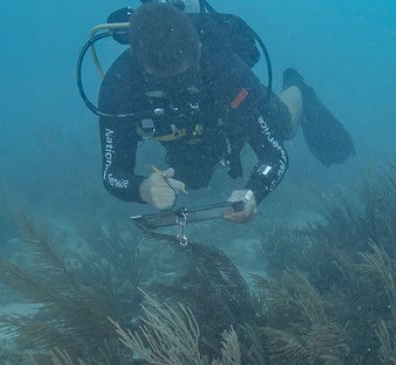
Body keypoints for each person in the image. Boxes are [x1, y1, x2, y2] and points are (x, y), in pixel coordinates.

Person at [97, 2, 353, 223]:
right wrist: (143, 188)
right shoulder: (119, 86)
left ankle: (298, 88)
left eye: (182, 76)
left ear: (196, 51)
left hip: (226, 111)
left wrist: (254, 192)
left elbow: (274, 155)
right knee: (194, 178)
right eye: (161, 79)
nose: (175, 88)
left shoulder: (224, 67)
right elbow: (112, 174)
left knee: (284, 125)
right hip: (184, 131)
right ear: (139, 63)